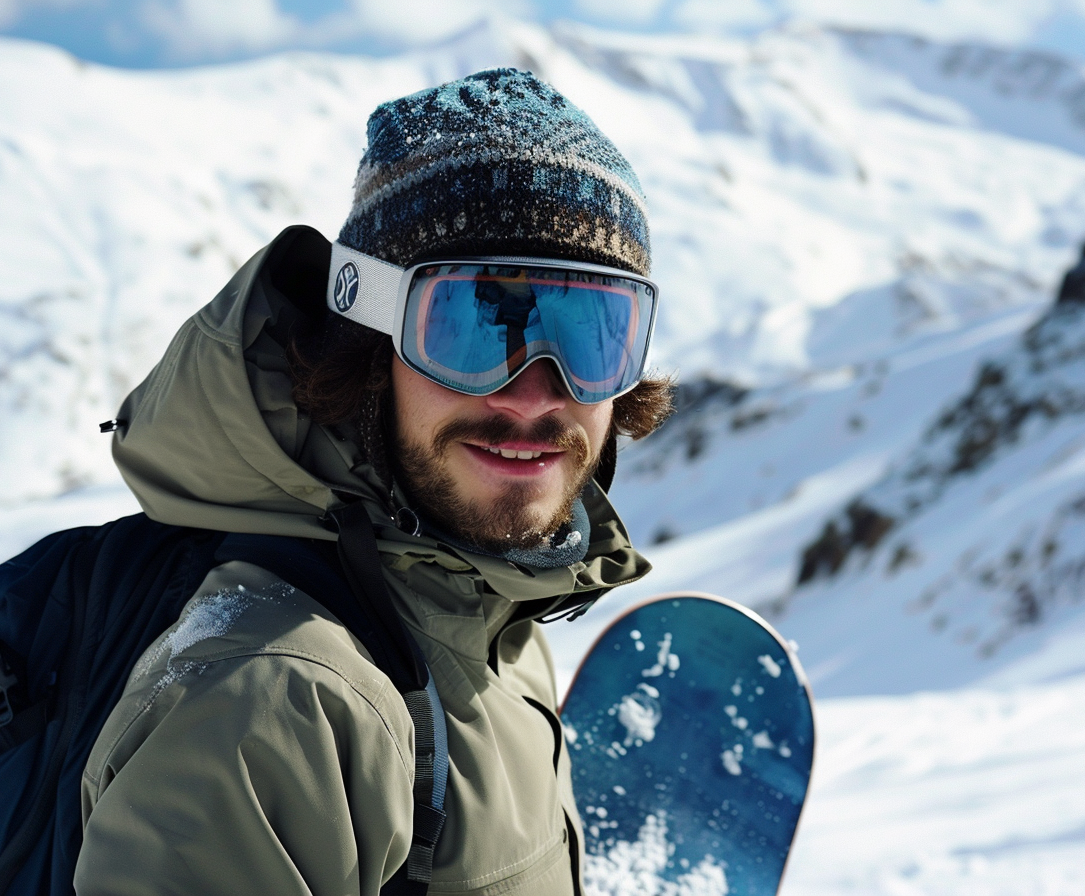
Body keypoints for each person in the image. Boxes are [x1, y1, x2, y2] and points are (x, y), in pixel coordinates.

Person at [72, 68, 673, 896]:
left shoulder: (487, 602)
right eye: (470, 324)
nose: (536, 393)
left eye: (591, 331)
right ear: (369, 343)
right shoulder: (279, 703)